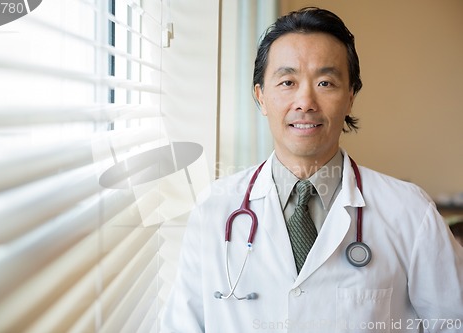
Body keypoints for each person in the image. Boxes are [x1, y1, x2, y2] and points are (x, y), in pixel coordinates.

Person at [160, 7, 463, 332]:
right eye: (287, 81)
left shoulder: (409, 211)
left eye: (325, 82)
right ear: (261, 97)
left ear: (350, 98)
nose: (305, 102)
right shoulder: (215, 209)